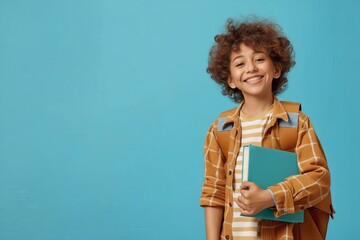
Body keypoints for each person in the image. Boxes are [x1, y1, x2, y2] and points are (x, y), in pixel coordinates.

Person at [199, 17, 334, 240]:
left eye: (259, 59)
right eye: (240, 63)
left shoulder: (296, 122)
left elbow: (319, 179)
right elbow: (213, 192)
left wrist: (271, 197)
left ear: (277, 69)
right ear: (230, 79)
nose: (251, 68)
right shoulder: (220, 129)